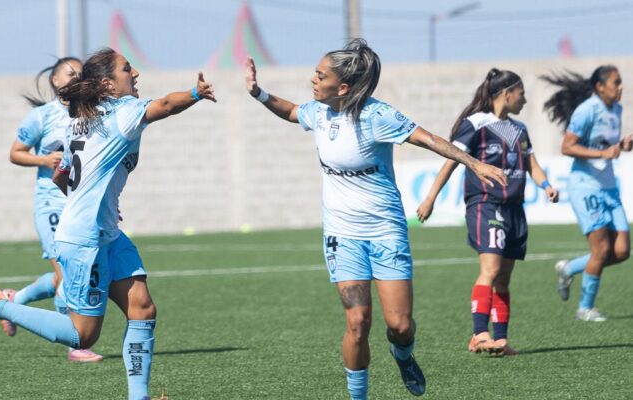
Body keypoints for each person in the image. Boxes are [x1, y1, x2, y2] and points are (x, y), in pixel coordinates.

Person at [244, 39, 506, 399]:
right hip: (342, 235)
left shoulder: (376, 116)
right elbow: (291, 111)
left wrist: (474, 164)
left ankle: (403, 355)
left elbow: (428, 139)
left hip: (386, 232)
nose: (313, 79)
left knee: (400, 326)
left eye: (320, 75)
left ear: (343, 87)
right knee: (357, 322)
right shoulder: (319, 112)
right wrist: (258, 93)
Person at [0, 47, 216, 400]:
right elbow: (167, 105)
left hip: (106, 232)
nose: (135, 73)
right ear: (108, 83)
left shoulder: (82, 120)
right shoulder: (123, 112)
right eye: (127, 68)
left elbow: (62, 176)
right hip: (85, 239)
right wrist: (196, 93)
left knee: (142, 307)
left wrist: (97, 202)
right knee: (82, 336)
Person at [416, 69, 559, 356]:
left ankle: (501, 339)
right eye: (521, 94)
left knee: (504, 278)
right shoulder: (476, 123)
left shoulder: (519, 129)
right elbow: (451, 161)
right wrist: (430, 198)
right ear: (507, 93)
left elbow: (532, 165)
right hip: (485, 204)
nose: (524, 100)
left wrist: (546, 185)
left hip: (514, 209)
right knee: (490, 270)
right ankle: (479, 335)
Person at [4, 56, 103, 363]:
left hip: (80, 206)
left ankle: (14, 301)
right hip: (51, 203)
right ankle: (75, 344)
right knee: (66, 273)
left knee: (70, 273)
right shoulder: (42, 116)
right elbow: (15, 153)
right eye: (70, 73)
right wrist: (44, 160)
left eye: (81, 74)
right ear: (55, 81)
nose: (76, 77)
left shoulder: (91, 114)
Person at [542, 66, 631, 322]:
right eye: (616, 82)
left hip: (609, 187)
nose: (620, 87)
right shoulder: (586, 110)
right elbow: (567, 147)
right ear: (600, 87)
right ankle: (585, 308)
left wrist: (622, 145)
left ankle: (569, 268)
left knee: (622, 251)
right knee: (601, 249)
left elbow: (606, 144)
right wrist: (603, 153)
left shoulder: (616, 109)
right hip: (585, 186)